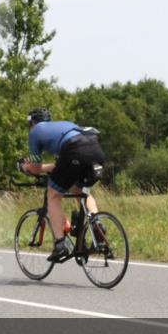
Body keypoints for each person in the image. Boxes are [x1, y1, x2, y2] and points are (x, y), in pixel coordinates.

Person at [18, 108, 106, 262]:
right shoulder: (63, 125)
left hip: (73, 150)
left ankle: (60, 244)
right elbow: (60, 164)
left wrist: (24, 167)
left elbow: (36, 168)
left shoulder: (35, 132)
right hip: (94, 149)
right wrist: (49, 167)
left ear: (32, 122)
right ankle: (96, 224)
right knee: (81, 191)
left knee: (53, 195)